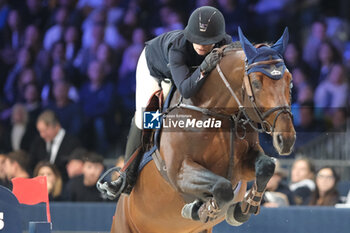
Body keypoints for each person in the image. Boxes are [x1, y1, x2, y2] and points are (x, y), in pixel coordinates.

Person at [103, 6, 232, 198]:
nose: (201, 45)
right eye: (196, 38)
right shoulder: (178, 47)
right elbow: (186, 89)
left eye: (207, 41)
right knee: (147, 118)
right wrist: (205, 67)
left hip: (184, 75)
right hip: (154, 70)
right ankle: (125, 176)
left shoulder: (225, 43)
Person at [29, 110, 81, 182]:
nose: (42, 135)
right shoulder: (38, 142)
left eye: (44, 131)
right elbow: (32, 164)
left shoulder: (73, 143)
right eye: (40, 131)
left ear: (56, 126)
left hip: (64, 187)